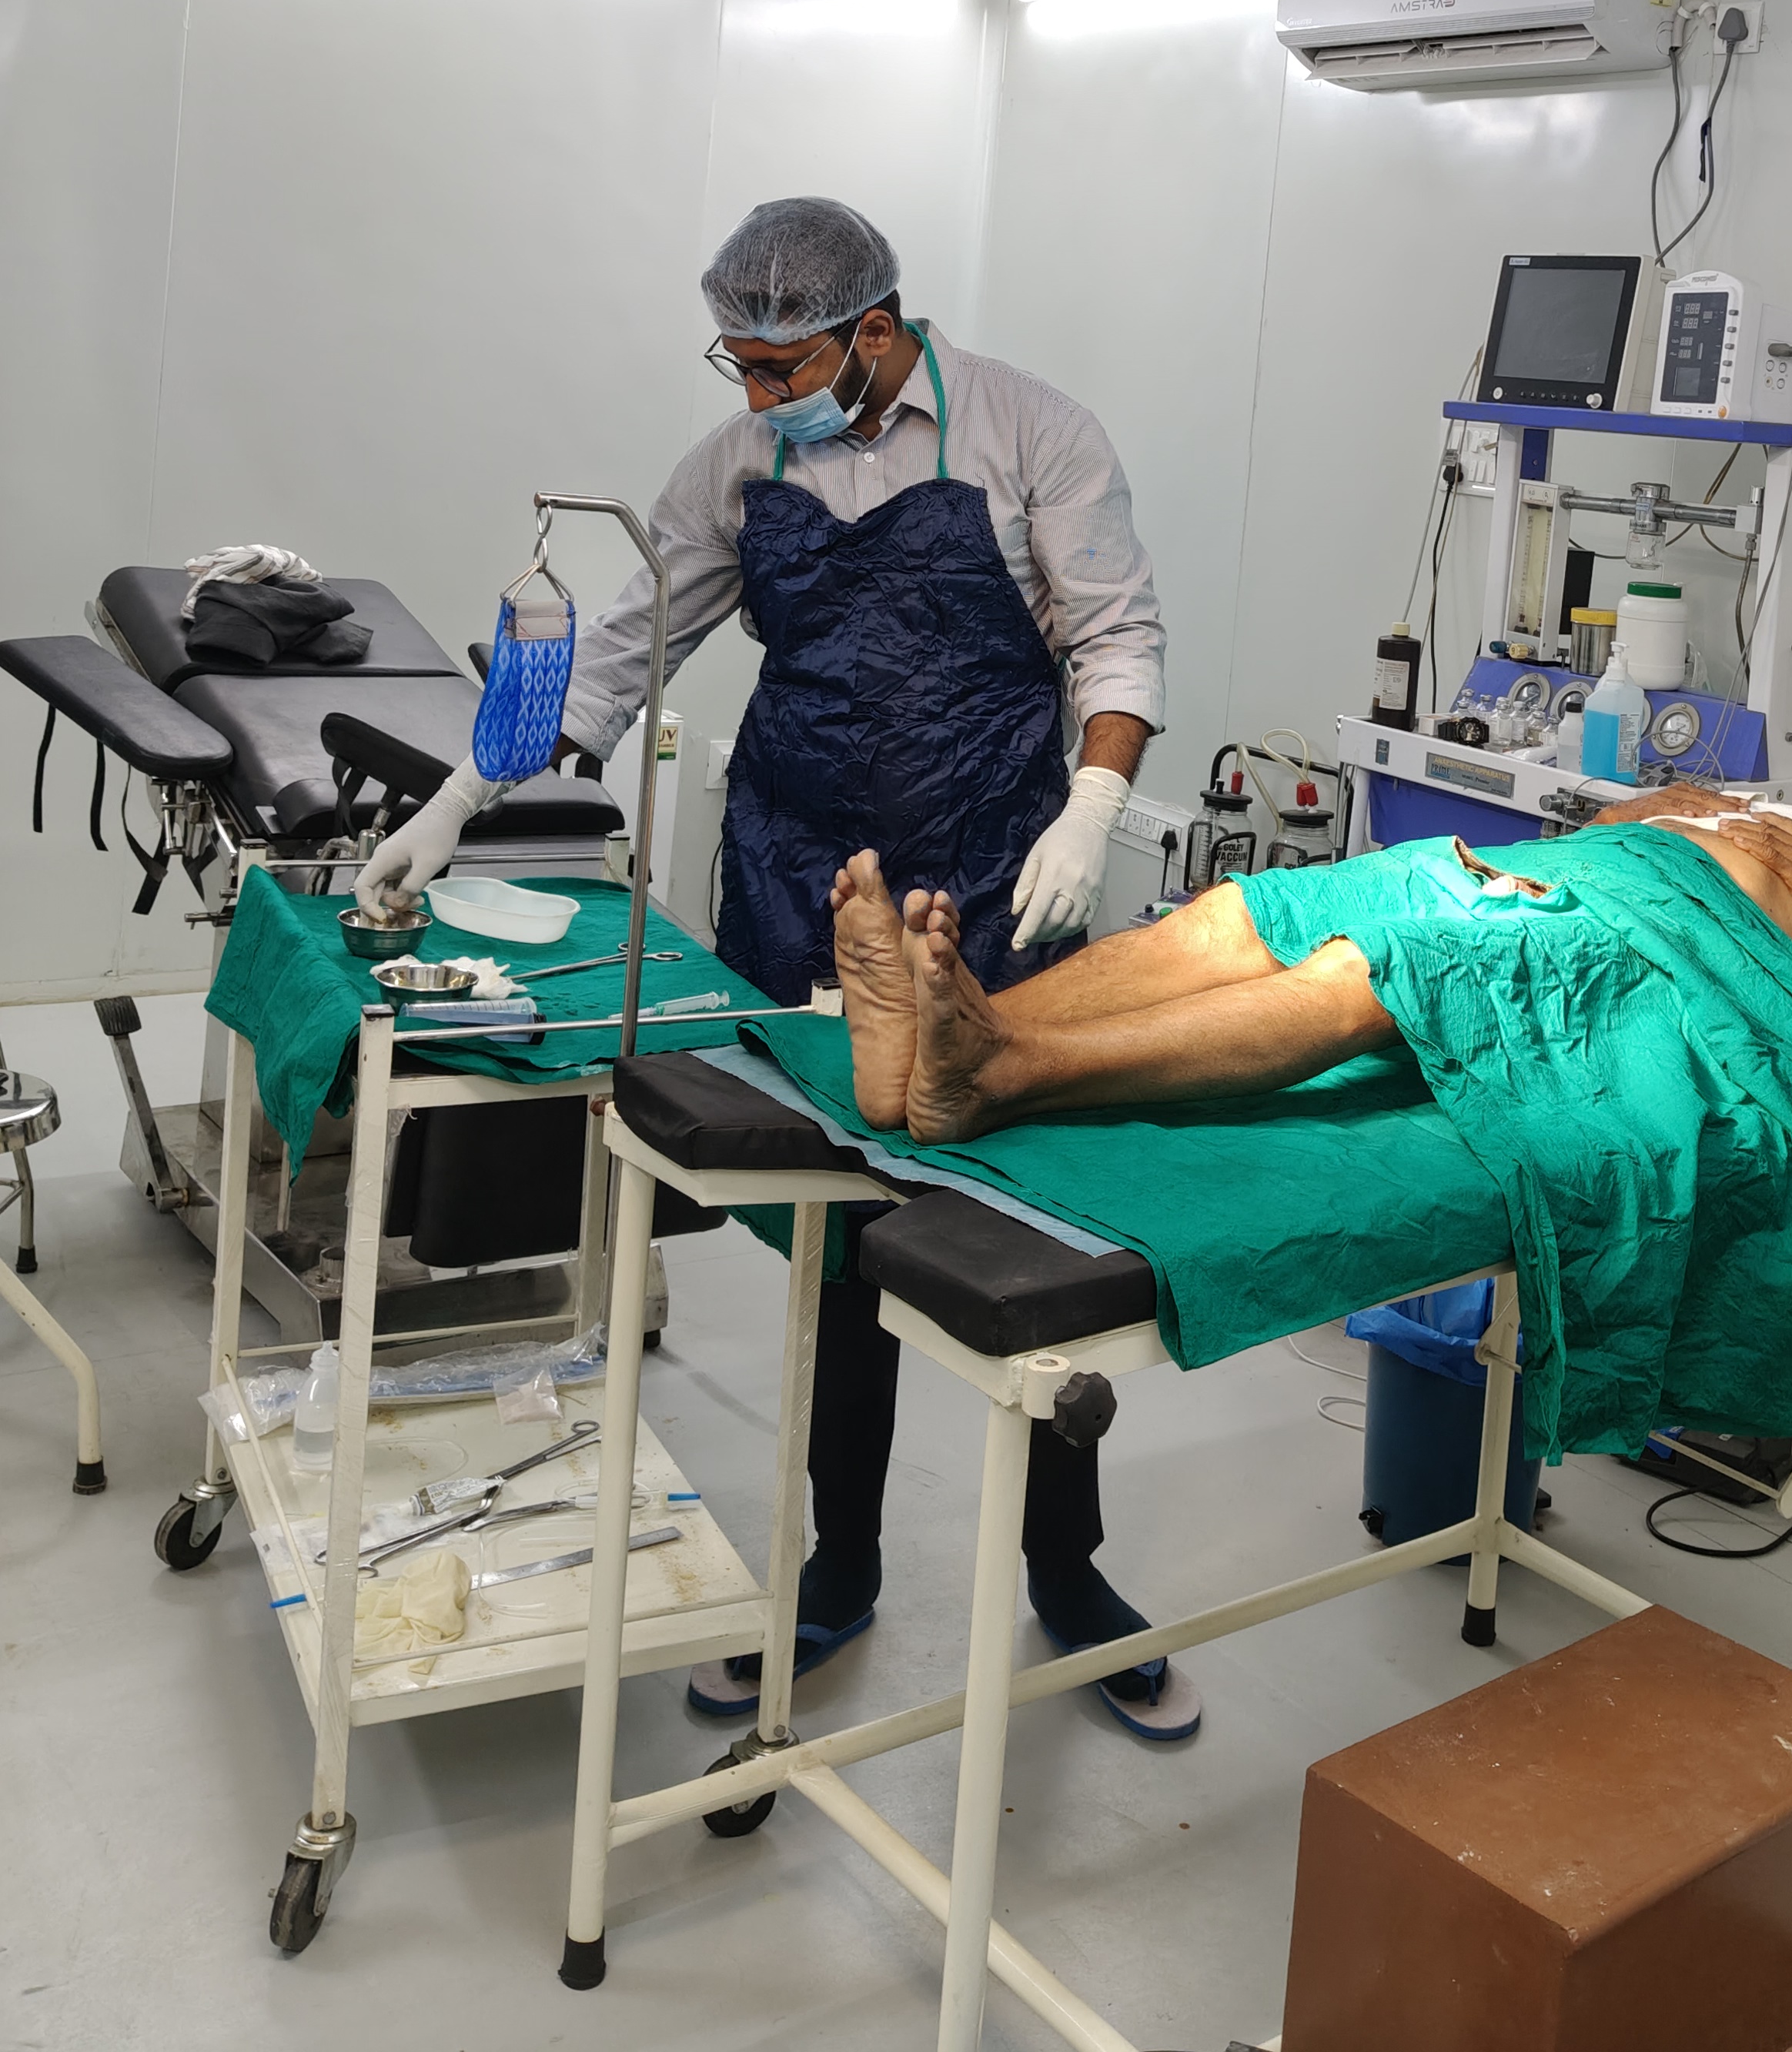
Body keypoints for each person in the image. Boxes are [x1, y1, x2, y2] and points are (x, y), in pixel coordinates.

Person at [356, 196, 1197, 1740]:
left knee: (1040, 1239)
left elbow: (1117, 637)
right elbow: (624, 651)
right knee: (839, 1239)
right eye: (737, 363)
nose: (756, 393)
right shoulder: (735, 470)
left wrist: (1093, 807)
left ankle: (1068, 1572)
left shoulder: (1033, 435)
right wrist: (459, 798)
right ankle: (838, 1567)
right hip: (802, 876)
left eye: (779, 363)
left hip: (993, 879)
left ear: (874, 330)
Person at [824, 771, 1792, 1145]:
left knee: (1378, 971)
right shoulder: (1771, 802)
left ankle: (1002, 1073)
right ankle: (941, 1035)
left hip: (1662, 942)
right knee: (1251, 914)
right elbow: (1608, 826)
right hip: (1569, 871)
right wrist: (1655, 808)